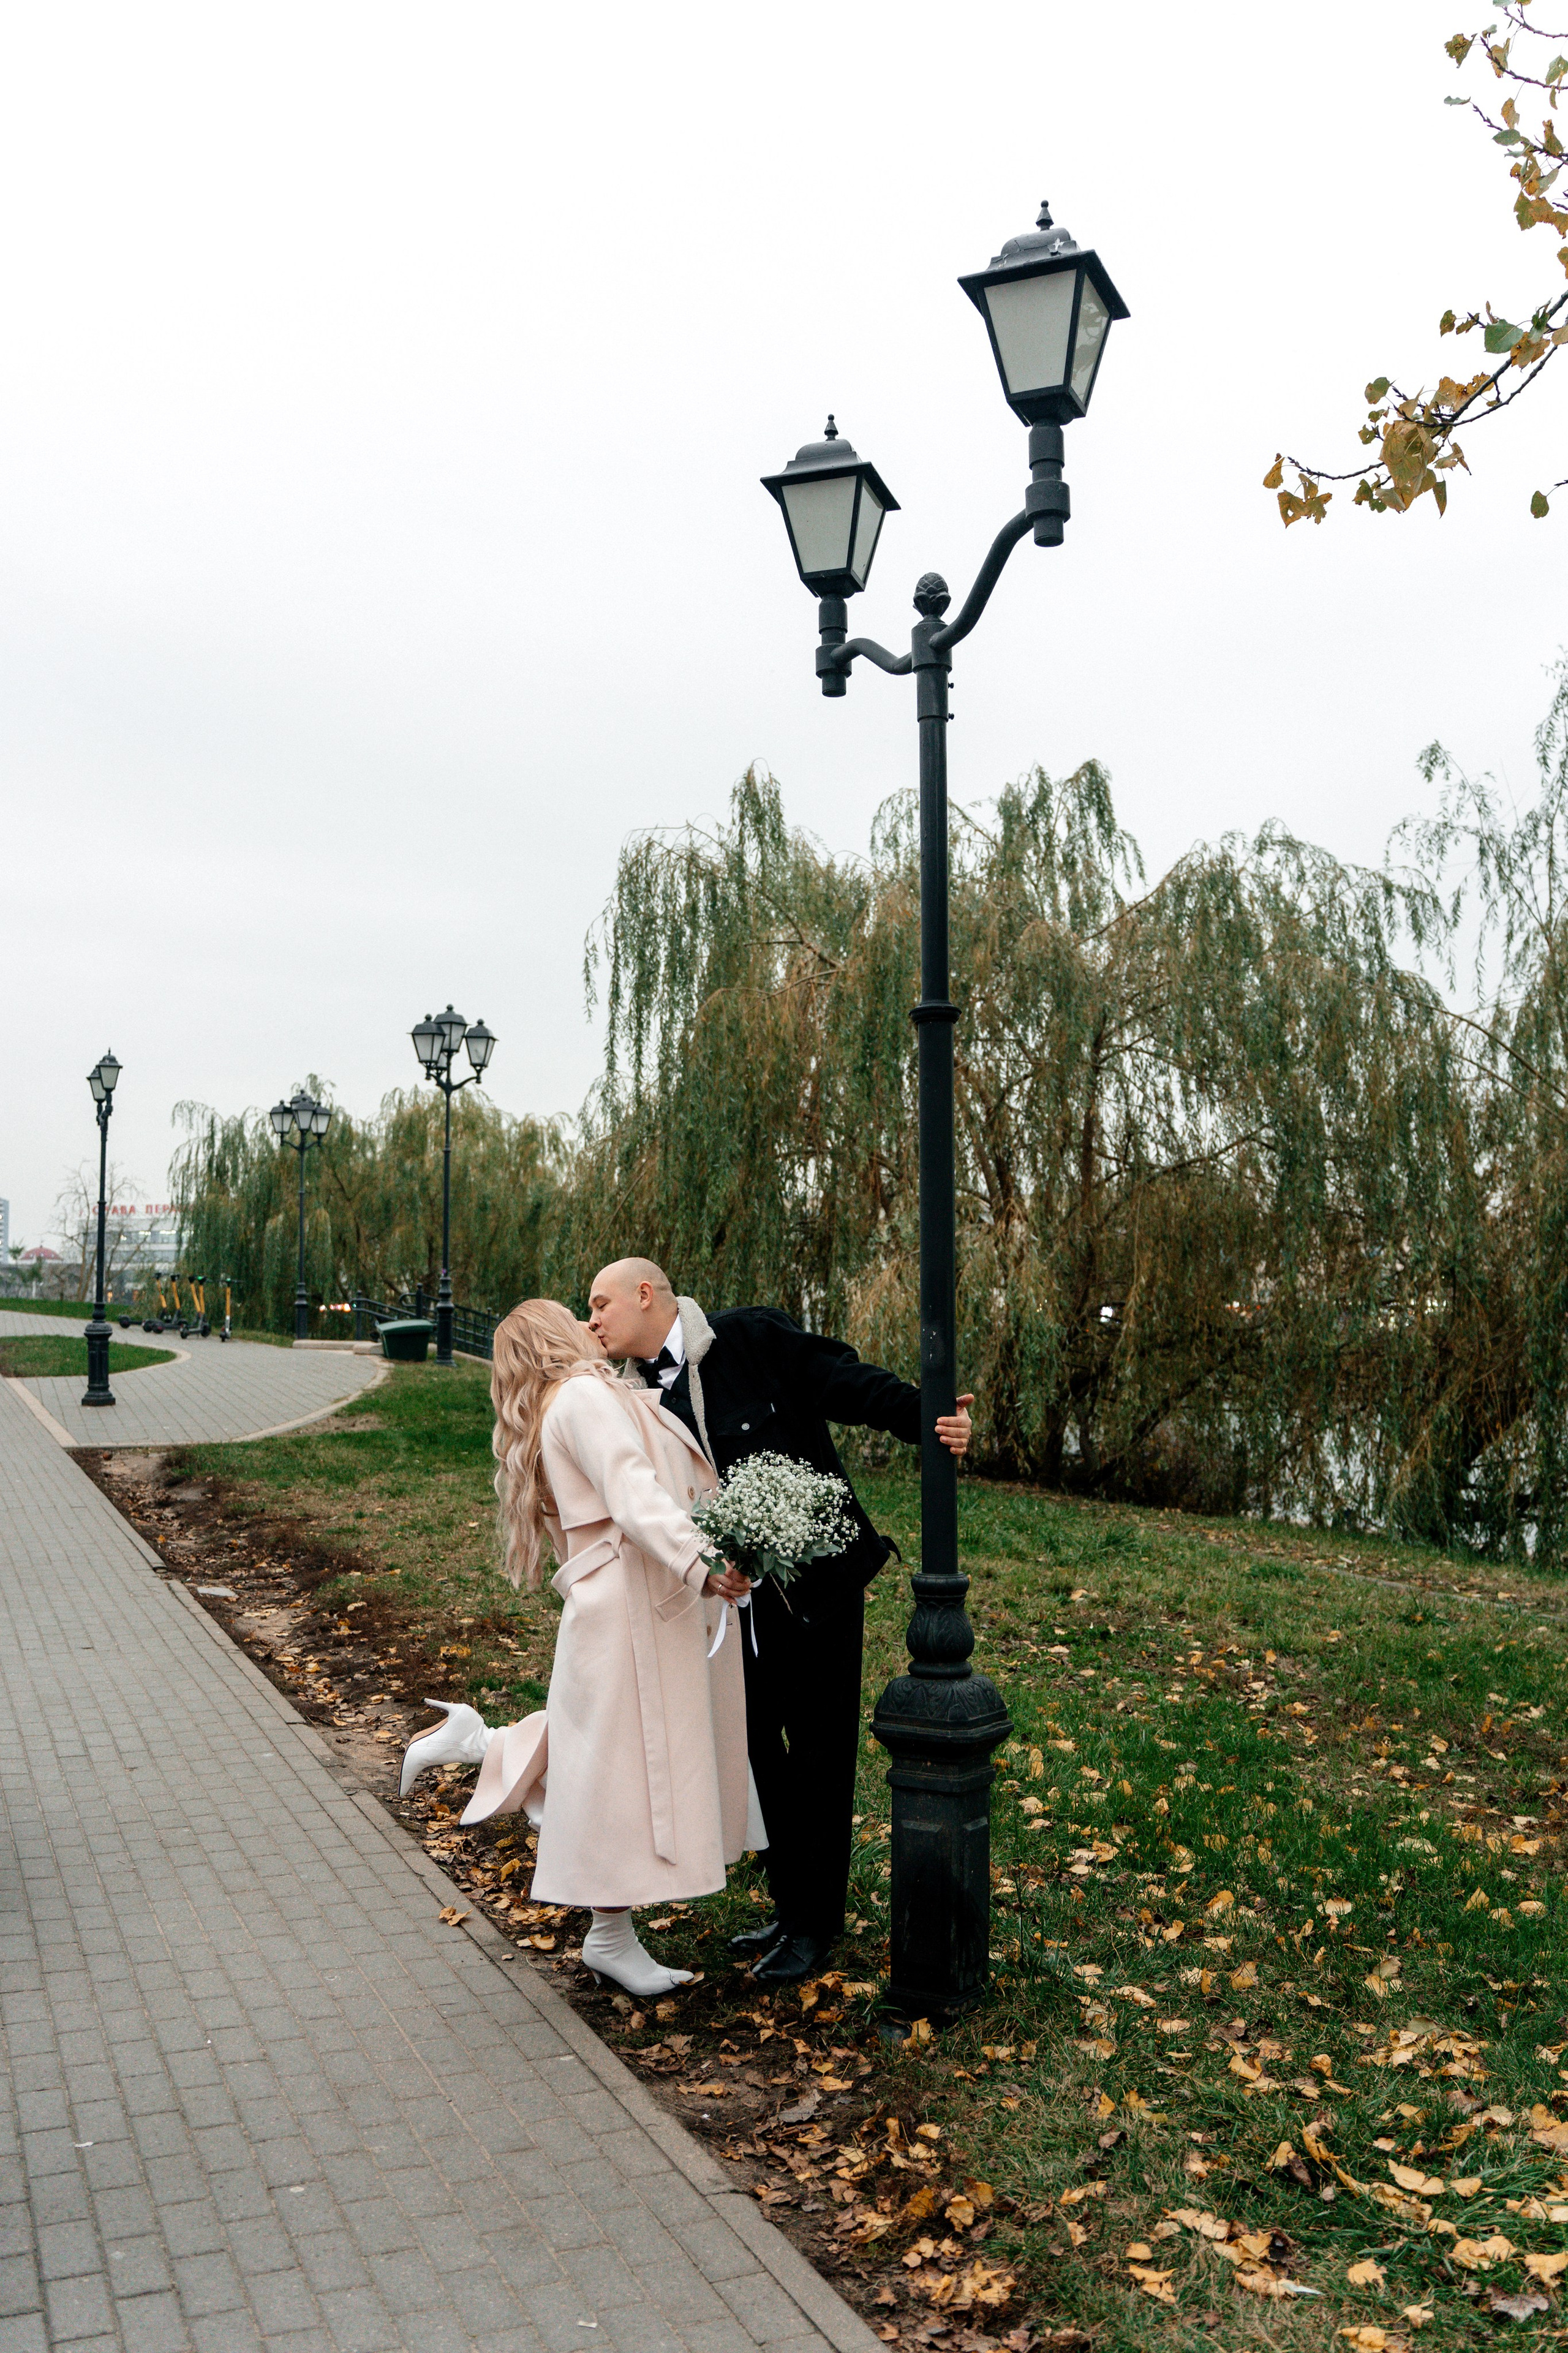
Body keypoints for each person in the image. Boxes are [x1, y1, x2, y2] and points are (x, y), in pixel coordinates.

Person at [587, 1258, 973, 1986]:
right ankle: (790, 1905)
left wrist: (927, 1416)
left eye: (601, 1303)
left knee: (820, 1759)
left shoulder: (751, 1338)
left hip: (816, 1593)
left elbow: (843, 1381)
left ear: (647, 1295)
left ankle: (815, 1928)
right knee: (756, 1755)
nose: (594, 1319)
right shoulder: (629, 1398)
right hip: (723, 1610)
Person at [399, 1298, 755, 1999]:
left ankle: (605, 1930)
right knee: (614, 1770)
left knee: (606, 1766)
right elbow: (633, 1492)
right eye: (578, 1314)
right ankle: (605, 1931)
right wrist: (701, 1559)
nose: (592, 1323)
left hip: (614, 1604)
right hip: (626, 1607)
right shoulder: (584, 1398)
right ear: (553, 1339)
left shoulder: (560, 1407)